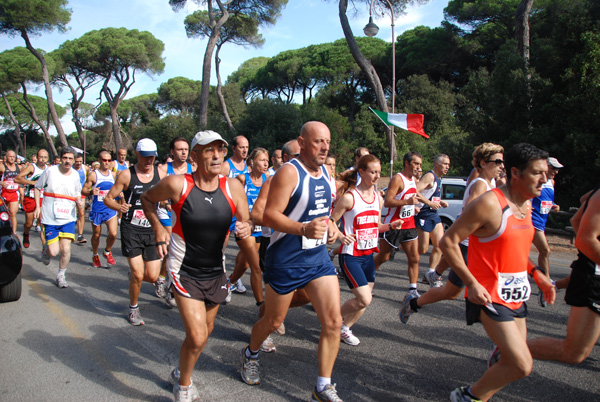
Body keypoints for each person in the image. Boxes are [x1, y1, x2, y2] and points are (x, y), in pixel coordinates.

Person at [141, 130, 252, 402]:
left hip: (216, 271)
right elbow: (147, 199)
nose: (216, 155)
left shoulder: (233, 187)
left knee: (205, 333)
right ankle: (183, 386)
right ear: (194, 156)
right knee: (198, 334)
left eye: (220, 149)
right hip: (184, 269)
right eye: (208, 150)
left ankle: (181, 369)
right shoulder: (178, 184)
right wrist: (158, 228)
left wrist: (246, 228)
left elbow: (246, 221)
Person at [439, 143, 556, 402]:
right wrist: (471, 282)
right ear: (516, 173)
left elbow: (515, 253)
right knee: (522, 365)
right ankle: (466, 396)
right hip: (489, 295)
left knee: (509, 363)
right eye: (538, 173)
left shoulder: (527, 205)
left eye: (545, 173)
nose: (544, 179)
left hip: (515, 296)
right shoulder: (490, 204)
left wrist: (538, 274)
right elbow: (447, 241)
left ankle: (478, 396)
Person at [240, 121, 344, 402]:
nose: (324, 147)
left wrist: (331, 226)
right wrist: (303, 229)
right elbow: (269, 215)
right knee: (273, 321)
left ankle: (322, 386)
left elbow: (323, 213)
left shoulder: (326, 175)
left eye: (327, 142)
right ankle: (250, 353)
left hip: (317, 258)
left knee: (333, 322)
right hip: (286, 260)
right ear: (302, 142)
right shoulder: (288, 172)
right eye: (318, 141)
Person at [400, 143, 504, 323]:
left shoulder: (492, 182)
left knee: (491, 285)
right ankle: (415, 300)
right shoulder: (479, 184)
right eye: (497, 162)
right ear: (483, 163)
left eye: (503, 162)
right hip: (468, 244)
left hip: (480, 245)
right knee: (451, 291)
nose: (502, 165)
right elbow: (469, 214)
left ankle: (432, 276)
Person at [331, 154, 402, 346]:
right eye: (373, 172)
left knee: (366, 299)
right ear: (361, 172)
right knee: (364, 299)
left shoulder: (377, 198)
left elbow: (375, 226)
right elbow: (331, 222)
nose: (377, 176)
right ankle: (333, 321)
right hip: (351, 255)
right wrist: (340, 236)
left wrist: (390, 226)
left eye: (379, 172)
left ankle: (345, 327)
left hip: (368, 255)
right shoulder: (349, 198)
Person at [527, 185, 600, 365]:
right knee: (574, 352)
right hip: (593, 277)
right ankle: (512, 351)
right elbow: (584, 236)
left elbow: (576, 219)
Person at [104, 138, 165, 326]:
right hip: (132, 229)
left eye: (152, 157)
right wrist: (118, 207)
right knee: (139, 275)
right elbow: (107, 199)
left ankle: (134, 278)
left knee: (153, 276)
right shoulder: (126, 175)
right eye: (145, 157)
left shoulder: (160, 173)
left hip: (151, 230)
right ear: (137, 155)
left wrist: (165, 204)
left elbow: (163, 196)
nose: (149, 161)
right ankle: (133, 308)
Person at [374, 151, 423, 296]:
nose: (418, 167)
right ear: (407, 163)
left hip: (409, 224)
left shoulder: (413, 180)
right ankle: (365, 277)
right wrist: (407, 202)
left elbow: (409, 198)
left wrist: (412, 207)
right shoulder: (397, 179)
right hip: (394, 225)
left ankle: (413, 290)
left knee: (414, 257)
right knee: (384, 257)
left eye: (420, 164)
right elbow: (388, 202)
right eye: (415, 163)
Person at [34, 147, 83, 288]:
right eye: (65, 158)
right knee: (54, 252)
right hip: (50, 217)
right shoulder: (50, 171)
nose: (67, 161)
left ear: (74, 160)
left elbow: (77, 193)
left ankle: (61, 275)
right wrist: (38, 207)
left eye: (70, 158)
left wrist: (79, 200)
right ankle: (46, 251)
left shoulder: (75, 175)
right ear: (61, 158)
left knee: (66, 249)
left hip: (68, 217)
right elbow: (37, 187)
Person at [154, 137, 194, 307]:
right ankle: (171, 287)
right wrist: (165, 201)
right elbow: (156, 194)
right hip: (167, 212)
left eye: (186, 149)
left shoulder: (194, 169)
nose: (183, 152)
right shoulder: (163, 169)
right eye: (179, 149)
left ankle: (162, 278)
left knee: (181, 252)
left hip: (187, 214)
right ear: (172, 151)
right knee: (173, 248)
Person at [227, 148, 269, 307]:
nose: (266, 163)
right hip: (243, 227)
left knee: (244, 263)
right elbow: (230, 200)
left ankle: (228, 284)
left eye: (267, 160)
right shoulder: (242, 179)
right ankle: (261, 305)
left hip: (260, 227)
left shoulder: (268, 179)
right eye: (262, 160)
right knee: (255, 265)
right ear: (252, 161)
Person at [220, 135, 250, 293]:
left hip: (240, 214)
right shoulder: (226, 166)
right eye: (241, 147)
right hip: (226, 212)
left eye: (246, 147)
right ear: (233, 148)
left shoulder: (247, 165)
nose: (245, 150)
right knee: (222, 250)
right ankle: (222, 280)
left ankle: (235, 278)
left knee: (247, 249)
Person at [415, 154, 450, 286]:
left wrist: (440, 202)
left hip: (434, 215)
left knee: (439, 245)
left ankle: (430, 274)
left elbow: (431, 196)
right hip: (423, 214)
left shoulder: (439, 179)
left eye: (448, 165)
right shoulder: (430, 176)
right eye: (445, 164)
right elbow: (415, 191)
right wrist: (428, 203)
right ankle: (404, 245)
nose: (447, 167)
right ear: (437, 164)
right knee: (422, 249)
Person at [81, 150, 118, 268]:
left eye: (109, 160)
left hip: (110, 209)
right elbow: (84, 190)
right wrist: (91, 191)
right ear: (99, 160)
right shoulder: (94, 175)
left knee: (113, 233)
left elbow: (116, 189)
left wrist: (119, 195)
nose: (107, 163)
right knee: (96, 235)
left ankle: (107, 251)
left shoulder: (113, 175)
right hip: (97, 209)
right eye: (104, 160)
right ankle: (95, 254)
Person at [531, 157, 562, 278]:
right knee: (545, 250)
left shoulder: (551, 182)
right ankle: (545, 280)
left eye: (557, 169)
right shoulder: (536, 180)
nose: (556, 172)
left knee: (520, 251)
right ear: (546, 166)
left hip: (542, 221)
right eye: (554, 168)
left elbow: (545, 200)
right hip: (533, 221)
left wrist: (553, 205)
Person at [15, 149, 48, 248]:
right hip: (30, 197)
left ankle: (44, 247)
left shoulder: (48, 169)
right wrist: (33, 183)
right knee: (29, 223)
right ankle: (26, 234)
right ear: (37, 158)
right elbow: (17, 178)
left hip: (43, 198)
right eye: (41, 157)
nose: (43, 159)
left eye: (45, 157)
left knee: (43, 223)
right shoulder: (31, 168)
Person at [0, 150, 21, 234]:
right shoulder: (2, 166)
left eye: (13, 156)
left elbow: (22, 178)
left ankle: (14, 233)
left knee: (13, 214)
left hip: (14, 194)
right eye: (10, 156)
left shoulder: (18, 167)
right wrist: (1, 183)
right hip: (3, 193)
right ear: (6, 157)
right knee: (3, 213)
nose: (12, 158)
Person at [73, 154, 89, 244]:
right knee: (72, 213)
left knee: (81, 213)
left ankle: (80, 235)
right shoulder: (70, 169)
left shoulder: (85, 168)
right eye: (77, 162)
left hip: (81, 194)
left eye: (80, 161)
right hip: (71, 194)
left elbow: (89, 180)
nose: (79, 163)